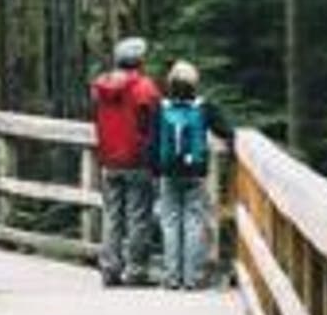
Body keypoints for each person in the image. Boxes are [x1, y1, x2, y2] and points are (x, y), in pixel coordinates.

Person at [151, 61, 233, 291]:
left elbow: (153, 140)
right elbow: (226, 131)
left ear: (170, 82)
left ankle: (171, 277)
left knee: (170, 223)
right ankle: (192, 278)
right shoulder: (203, 107)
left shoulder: (162, 107)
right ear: (194, 83)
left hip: (168, 172)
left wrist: (155, 170)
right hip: (195, 173)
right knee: (194, 223)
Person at [88, 36, 161, 287]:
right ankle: (136, 271)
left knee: (112, 216)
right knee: (138, 217)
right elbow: (154, 122)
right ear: (139, 60)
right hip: (137, 161)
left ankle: (110, 269)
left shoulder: (100, 87)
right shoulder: (145, 88)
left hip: (109, 160)